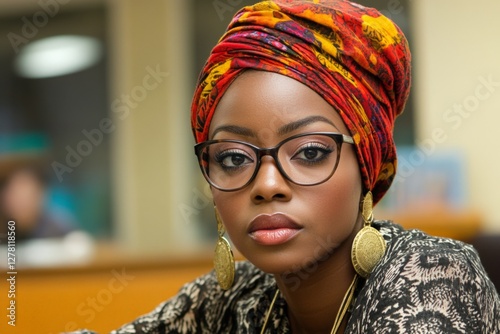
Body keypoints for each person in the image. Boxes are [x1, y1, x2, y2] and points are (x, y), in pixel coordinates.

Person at [74, 0, 499, 333]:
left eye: (310, 152)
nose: (268, 185)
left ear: (366, 167)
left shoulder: (436, 275)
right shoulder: (235, 299)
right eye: (234, 158)